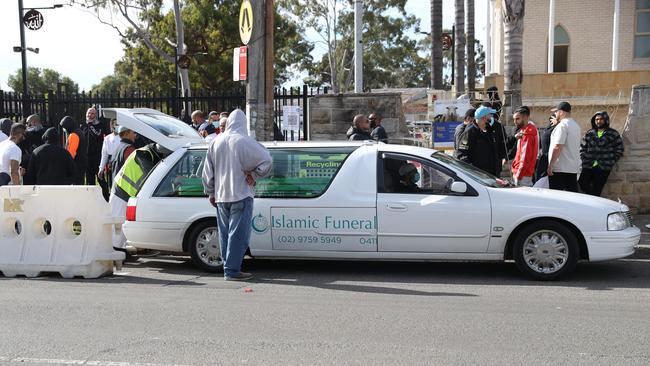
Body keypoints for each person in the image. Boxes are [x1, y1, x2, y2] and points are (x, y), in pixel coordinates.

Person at [202, 109, 272, 281]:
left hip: (220, 196)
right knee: (238, 234)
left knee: (225, 233)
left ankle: (228, 268)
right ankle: (232, 271)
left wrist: (210, 192)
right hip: (240, 193)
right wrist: (254, 174)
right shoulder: (245, 141)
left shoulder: (216, 142)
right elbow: (267, 160)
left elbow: (207, 172)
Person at [110, 142, 171, 254]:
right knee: (118, 229)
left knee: (126, 227)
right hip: (122, 191)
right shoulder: (143, 154)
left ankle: (126, 251)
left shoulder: (149, 154)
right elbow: (151, 175)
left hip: (129, 193)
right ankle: (117, 254)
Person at [578, 111, 624, 196]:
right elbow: (582, 147)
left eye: (601, 119)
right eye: (597, 119)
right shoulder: (589, 133)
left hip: (604, 167)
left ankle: (594, 203)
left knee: (598, 188)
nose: (599, 121)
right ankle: (594, 198)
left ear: (606, 120)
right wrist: (584, 157)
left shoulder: (613, 133)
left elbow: (619, 148)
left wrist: (611, 160)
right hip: (588, 165)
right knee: (582, 183)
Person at [547, 102, 581, 192]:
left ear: (561, 112)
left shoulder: (562, 126)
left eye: (556, 112)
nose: (555, 114)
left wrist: (551, 165)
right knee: (571, 198)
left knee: (557, 199)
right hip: (572, 168)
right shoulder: (576, 125)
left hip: (560, 169)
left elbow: (558, 146)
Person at [457, 105, 498, 175]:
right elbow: (461, 154)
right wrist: (474, 171)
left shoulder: (490, 130)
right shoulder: (470, 132)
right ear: (484, 118)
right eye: (490, 115)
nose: (492, 117)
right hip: (478, 176)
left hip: (491, 174)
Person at [510, 106, 539, 187]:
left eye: (517, 119)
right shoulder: (526, 130)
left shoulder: (527, 133)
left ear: (525, 118)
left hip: (522, 175)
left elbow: (525, 157)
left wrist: (519, 174)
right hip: (524, 173)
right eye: (514, 119)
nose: (515, 122)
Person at [81, 107, 109, 187]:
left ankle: (106, 197)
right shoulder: (83, 126)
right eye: (88, 113)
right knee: (90, 181)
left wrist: (91, 125)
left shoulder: (100, 125)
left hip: (97, 157)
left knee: (101, 179)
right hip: (87, 158)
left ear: (96, 115)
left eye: (92, 113)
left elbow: (98, 135)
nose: (90, 115)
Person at [60, 116, 88, 185]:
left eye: (64, 127)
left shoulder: (73, 135)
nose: (64, 129)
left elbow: (71, 154)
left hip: (75, 166)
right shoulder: (79, 132)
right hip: (81, 164)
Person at [481, 102, 507, 176]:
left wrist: (504, 157)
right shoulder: (476, 127)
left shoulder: (498, 126)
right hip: (480, 167)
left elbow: (504, 143)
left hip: (495, 165)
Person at [98, 119, 121, 200]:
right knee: (111, 185)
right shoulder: (107, 138)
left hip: (121, 163)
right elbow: (104, 154)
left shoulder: (123, 137)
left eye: (117, 124)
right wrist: (101, 169)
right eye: (114, 124)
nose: (115, 126)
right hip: (111, 165)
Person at [534, 113, 559, 183]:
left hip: (551, 158)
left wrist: (558, 124)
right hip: (545, 157)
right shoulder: (549, 128)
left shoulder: (558, 128)